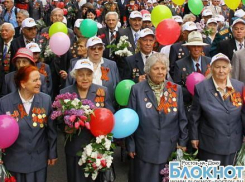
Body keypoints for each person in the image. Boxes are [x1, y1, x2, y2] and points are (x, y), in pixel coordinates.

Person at [127, 53, 188, 182]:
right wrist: (131, 145)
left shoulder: (176, 89)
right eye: (156, 68)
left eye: (163, 68)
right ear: (148, 70)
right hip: (145, 147)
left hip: (169, 147)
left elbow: (182, 118)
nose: (160, 72)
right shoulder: (136, 90)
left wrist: (182, 142)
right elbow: (130, 119)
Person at [0, 65, 57, 182]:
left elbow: (51, 130)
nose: (39, 83)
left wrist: (52, 152)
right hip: (14, 160)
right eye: (35, 80)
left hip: (38, 160)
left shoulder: (45, 100)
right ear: (23, 84)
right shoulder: (5, 103)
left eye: (39, 79)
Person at [60, 59, 114, 182]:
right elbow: (57, 120)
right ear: (75, 75)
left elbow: (110, 115)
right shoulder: (65, 92)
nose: (85, 78)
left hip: (96, 147)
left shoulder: (102, 91)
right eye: (81, 74)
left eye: (88, 74)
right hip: (74, 147)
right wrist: (65, 127)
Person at [190, 53, 245, 165]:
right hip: (211, 143)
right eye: (217, 67)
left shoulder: (239, 86)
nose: (221, 71)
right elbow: (195, 115)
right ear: (211, 68)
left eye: (224, 67)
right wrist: (194, 137)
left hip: (234, 142)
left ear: (230, 69)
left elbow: (243, 113)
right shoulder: (201, 88)